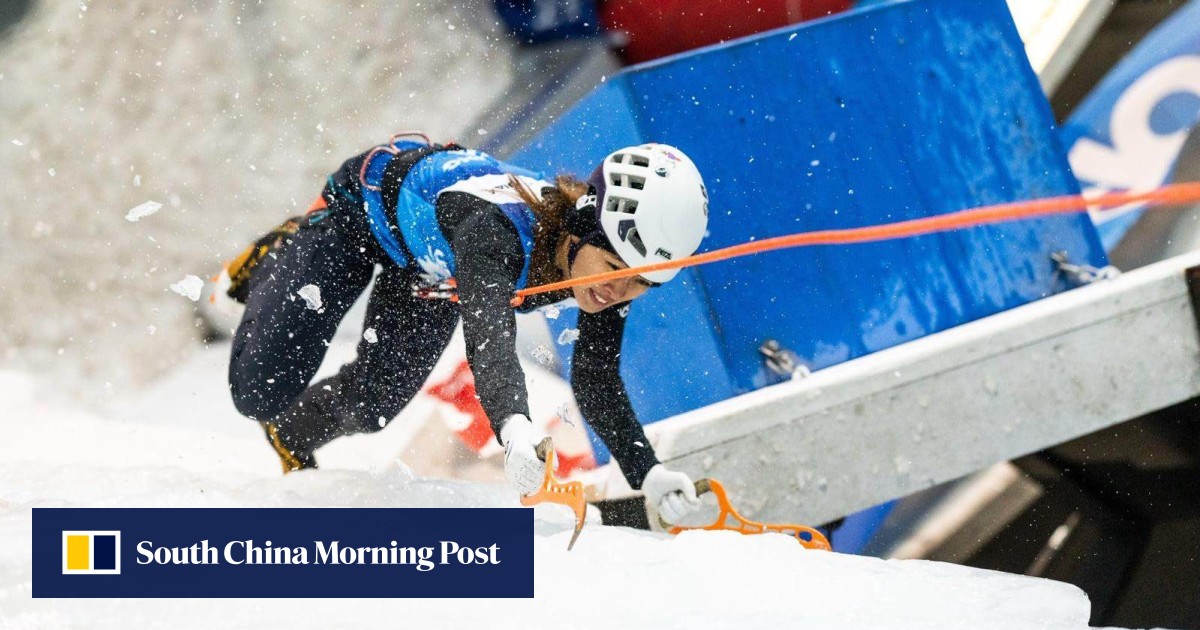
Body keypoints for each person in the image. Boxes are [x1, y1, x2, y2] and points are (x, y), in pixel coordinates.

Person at [221, 134, 709, 524]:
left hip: (429, 270)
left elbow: (597, 379)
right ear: (583, 226)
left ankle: (289, 434)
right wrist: (513, 423)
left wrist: (647, 473)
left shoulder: (603, 273)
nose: (616, 292)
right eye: (612, 267)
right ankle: (278, 251)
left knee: (372, 408)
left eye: (640, 284)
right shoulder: (495, 231)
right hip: (357, 218)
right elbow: (489, 339)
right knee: (258, 394)